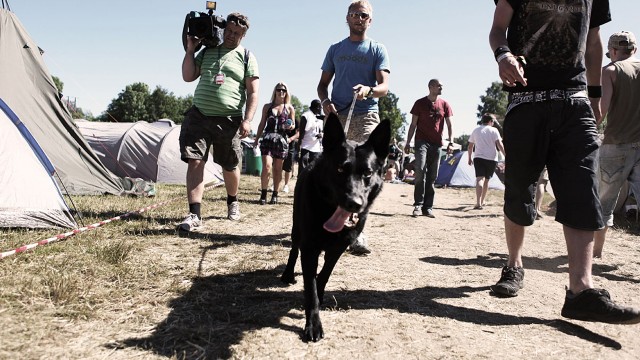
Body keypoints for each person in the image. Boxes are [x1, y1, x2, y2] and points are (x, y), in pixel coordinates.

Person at [489, 0, 640, 323]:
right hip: (525, 99)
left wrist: (596, 94)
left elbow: (594, 39)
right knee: (519, 189)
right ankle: (514, 264)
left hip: (574, 102)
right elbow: (498, 28)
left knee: (582, 188)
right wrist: (504, 56)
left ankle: (581, 290)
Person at [317, 0, 390, 255]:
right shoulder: (335, 49)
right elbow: (322, 85)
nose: (359, 18)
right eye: (354, 14)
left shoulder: (377, 49)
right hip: (338, 116)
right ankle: (329, 224)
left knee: (365, 173)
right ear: (347, 18)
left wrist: (369, 90)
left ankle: (358, 231)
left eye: (364, 15)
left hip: (367, 114)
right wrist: (325, 102)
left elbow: (384, 87)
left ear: (370, 21)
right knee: (336, 170)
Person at [178, 12, 259, 231]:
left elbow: (253, 93)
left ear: (243, 35)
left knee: (229, 165)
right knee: (195, 160)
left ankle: (232, 200)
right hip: (199, 115)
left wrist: (248, 120)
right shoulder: (208, 50)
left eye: (237, 33)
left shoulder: (247, 57)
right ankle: (194, 214)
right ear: (224, 29)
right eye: (229, 31)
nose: (231, 36)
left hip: (230, 120)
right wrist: (190, 50)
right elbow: (188, 76)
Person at [594, 31, 640, 259]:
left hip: (616, 145)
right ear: (635, 50)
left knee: (604, 203)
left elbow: (601, 112)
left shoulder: (610, 71)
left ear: (612, 51)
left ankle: (596, 254)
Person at [405, 79, 453, 218]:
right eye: (439, 86)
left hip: (437, 144)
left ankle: (428, 207)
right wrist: (408, 143)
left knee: (432, 176)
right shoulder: (419, 103)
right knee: (420, 170)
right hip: (421, 142)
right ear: (431, 87)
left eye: (441, 86)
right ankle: (418, 205)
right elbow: (413, 124)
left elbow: (449, 125)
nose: (441, 88)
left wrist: (451, 141)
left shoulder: (444, 104)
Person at [254, 82, 296, 205]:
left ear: (286, 92)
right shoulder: (267, 107)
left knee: (278, 169)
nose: (281, 92)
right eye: (279, 90)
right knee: (266, 167)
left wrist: (290, 125)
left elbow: (293, 125)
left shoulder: (289, 108)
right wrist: (256, 139)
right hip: (267, 138)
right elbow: (262, 123)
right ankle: (263, 194)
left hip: (281, 140)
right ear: (275, 91)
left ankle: (275, 194)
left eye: (284, 90)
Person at [468, 113, 505, 210]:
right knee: (486, 180)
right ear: (490, 121)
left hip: (478, 157)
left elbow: (470, 146)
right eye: (493, 121)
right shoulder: (494, 130)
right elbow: (499, 144)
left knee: (480, 179)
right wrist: (506, 155)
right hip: (492, 159)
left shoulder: (476, 130)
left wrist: (469, 157)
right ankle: (483, 200)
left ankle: (478, 202)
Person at [298, 99, 324, 173]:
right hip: (306, 147)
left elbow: (322, 131)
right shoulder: (305, 116)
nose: (321, 109)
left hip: (316, 148)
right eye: (320, 107)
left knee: (315, 171)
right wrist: (299, 146)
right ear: (318, 107)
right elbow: (301, 133)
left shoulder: (320, 117)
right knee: (303, 171)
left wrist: (321, 134)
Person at [282, 117, 300, 194]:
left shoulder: (296, 120)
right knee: (277, 165)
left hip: (290, 145)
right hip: (279, 143)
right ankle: (275, 183)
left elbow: (299, 132)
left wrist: (291, 139)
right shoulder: (281, 117)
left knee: (288, 166)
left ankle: (286, 185)